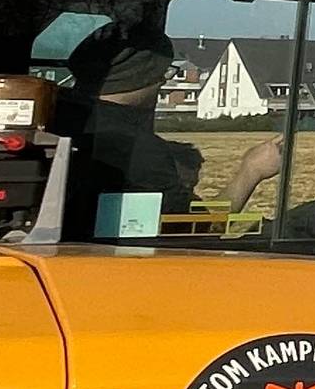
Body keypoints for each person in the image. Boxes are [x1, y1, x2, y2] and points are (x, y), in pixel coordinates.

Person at [59, 23, 283, 234]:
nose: (164, 83)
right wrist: (252, 170)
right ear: (141, 78)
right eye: (165, 73)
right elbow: (198, 229)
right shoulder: (136, 149)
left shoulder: (61, 116)